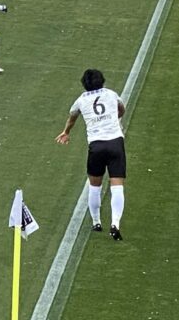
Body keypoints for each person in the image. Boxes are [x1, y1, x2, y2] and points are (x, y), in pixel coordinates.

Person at [55, 69, 127, 241]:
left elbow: (72, 118)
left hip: (96, 145)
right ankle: (115, 223)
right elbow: (121, 109)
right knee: (117, 185)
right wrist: (114, 119)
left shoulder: (81, 100)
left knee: (95, 185)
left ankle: (96, 221)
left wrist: (66, 132)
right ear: (102, 80)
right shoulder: (111, 94)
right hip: (115, 142)